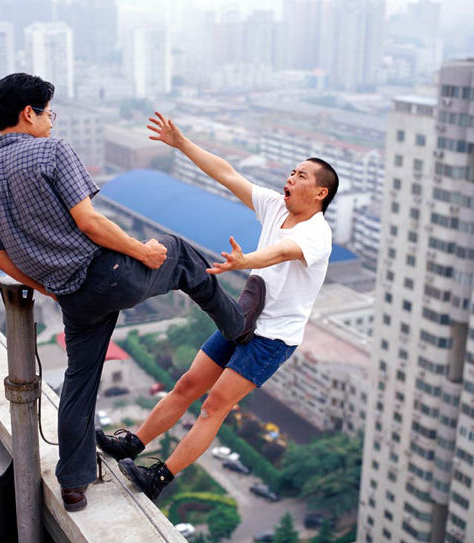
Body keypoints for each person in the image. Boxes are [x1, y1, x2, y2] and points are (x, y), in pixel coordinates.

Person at [0, 75, 264, 512]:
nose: (51, 121)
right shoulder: (53, 151)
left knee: (79, 383)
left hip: (72, 296)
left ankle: (74, 486)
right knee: (180, 253)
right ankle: (238, 327)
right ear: (28, 113)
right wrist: (142, 251)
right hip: (108, 273)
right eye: (49, 113)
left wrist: (47, 288)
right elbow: (89, 222)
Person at [97, 112, 338, 501]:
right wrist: (181, 143)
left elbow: (282, 252)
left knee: (213, 406)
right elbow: (227, 175)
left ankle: (159, 477)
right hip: (243, 319)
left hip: (273, 339)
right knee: (187, 384)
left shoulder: (317, 234)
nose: (291, 178)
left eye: (302, 176)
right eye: (292, 172)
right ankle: (132, 443)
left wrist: (245, 262)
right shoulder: (277, 207)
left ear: (320, 193)